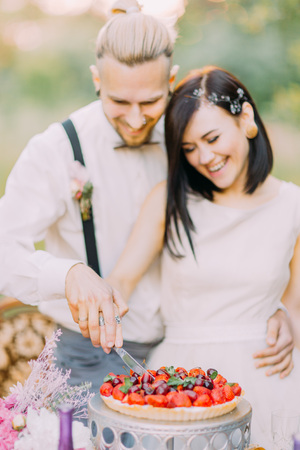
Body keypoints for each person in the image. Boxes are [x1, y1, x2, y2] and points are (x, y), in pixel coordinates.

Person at [0, 0, 293, 393]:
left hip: (184, 357)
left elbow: (251, 221)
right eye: (119, 102)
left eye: (151, 102)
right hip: (91, 355)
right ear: (96, 80)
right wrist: (67, 273)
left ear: (171, 81)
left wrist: (281, 311)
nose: (136, 119)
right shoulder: (55, 149)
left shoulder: (191, 137)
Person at [105, 65, 300, 447]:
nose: (204, 157)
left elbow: (296, 300)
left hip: (270, 376)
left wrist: (290, 321)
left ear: (245, 119)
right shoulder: (168, 200)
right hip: (182, 385)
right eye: (189, 149)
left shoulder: (293, 204)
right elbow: (121, 279)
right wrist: (94, 294)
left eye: (212, 138)